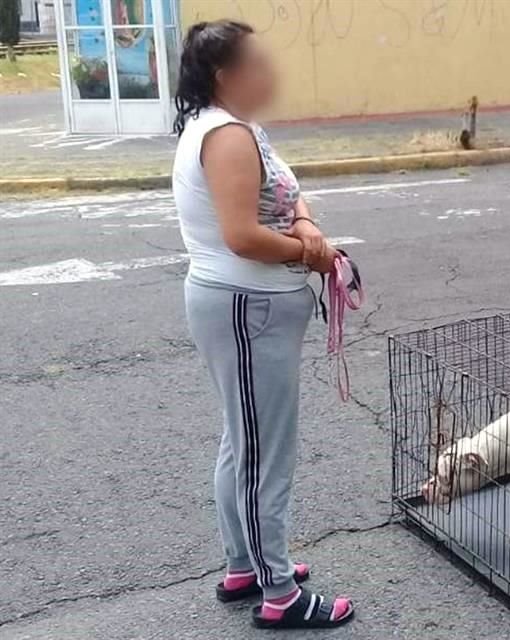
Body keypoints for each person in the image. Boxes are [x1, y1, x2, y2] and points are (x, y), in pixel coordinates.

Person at [172, 20, 354, 630]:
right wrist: (312, 253)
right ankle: (279, 592)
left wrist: (304, 225)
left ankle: (245, 565)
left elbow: (284, 194)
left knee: (243, 441)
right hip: (246, 305)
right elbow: (243, 236)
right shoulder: (225, 136)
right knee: (262, 456)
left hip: (248, 306)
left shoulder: (242, 127)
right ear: (226, 76)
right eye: (258, 63)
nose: (270, 74)